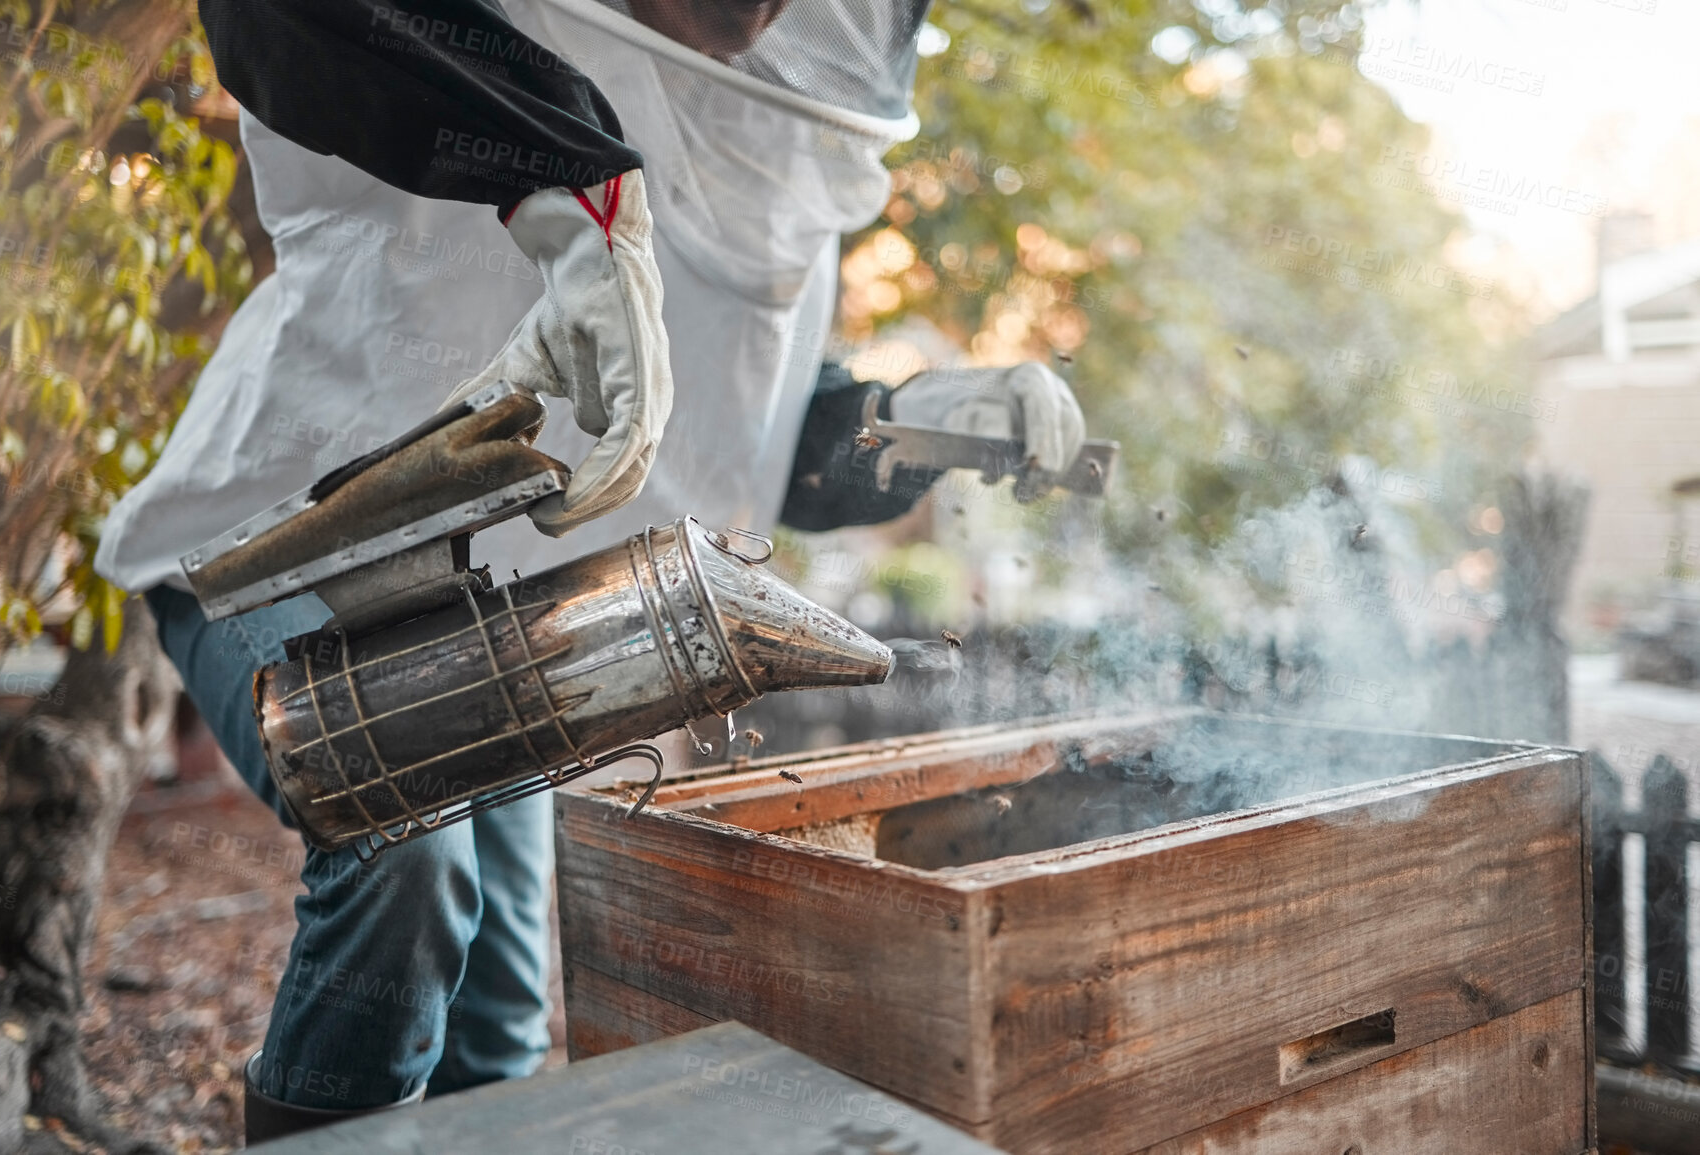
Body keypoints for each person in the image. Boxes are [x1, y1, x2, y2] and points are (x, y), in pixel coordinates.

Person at [94, 0, 1087, 1139]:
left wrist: (908, 424)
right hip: (275, 549)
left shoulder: (773, 159)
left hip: (493, 608)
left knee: (504, 1006)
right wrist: (555, 191)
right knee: (406, 858)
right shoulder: (455, 40)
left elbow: (751, 432)